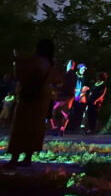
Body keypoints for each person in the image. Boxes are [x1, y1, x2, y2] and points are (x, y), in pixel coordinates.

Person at [6, 39, 61, 168]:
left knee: (21, 124)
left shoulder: (32, 61)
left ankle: (14, 158)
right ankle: (28, 157)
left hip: (28, 94)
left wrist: (17, 60)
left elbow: (21, 75)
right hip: (43, 96)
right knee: (35, 126)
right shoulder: (51, 64)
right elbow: (57, 80)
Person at [52, 60, 76, 133]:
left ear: (70, 65)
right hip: (70, 95)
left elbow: (63, 84)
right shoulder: (73, 74)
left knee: (54, 109)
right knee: (64, 112)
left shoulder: (68, 74)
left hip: (64, 95)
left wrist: (57, 87)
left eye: (68, 63)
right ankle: (62, 128)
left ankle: (55, 127)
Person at [63, 63, 88, 134]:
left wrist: (84, 90)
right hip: (72, 96)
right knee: (70, 111)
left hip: (80, 97)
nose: (84, 71)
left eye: (84, 70)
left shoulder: (83, 77)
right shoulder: (74, 76)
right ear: (79, 69)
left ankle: (75, 127)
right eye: (83, 69)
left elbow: (83, 86)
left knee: (79, 112)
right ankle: (67, 127)